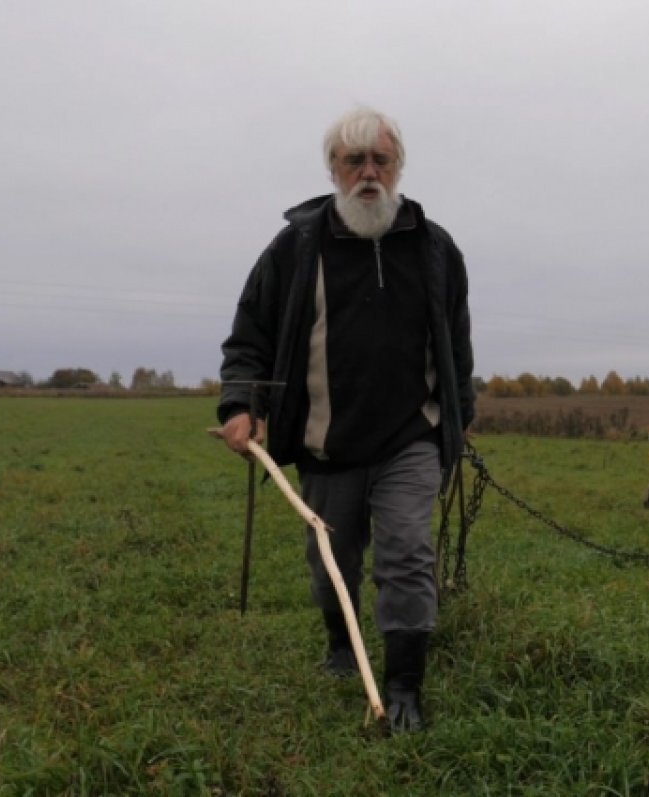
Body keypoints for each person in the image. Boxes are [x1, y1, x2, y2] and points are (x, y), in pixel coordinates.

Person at [216, 106, 475, 734]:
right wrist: (240, 406)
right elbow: (250, 335)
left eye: (381, 160)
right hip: (326, 443)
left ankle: (404, 684)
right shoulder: (295, 249)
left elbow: (457, 347)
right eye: (354, 161)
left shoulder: (435, 249)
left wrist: (457, 422)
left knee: (407, 552)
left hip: (411, 438)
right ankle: (341, 644)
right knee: (330, 560)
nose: (368, 173)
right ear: (333, 168)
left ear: (398, 167)